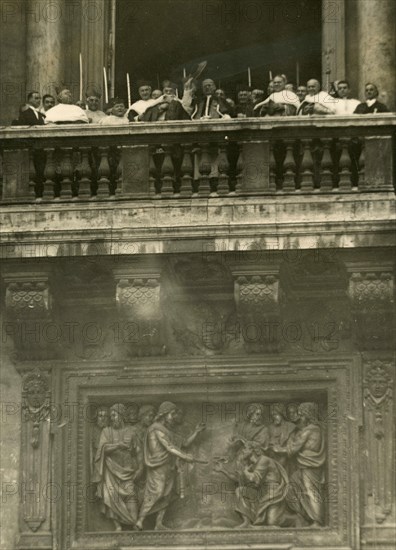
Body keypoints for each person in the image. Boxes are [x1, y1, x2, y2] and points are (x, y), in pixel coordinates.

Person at [135, 401, 197, 530]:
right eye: (172, 414)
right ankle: (140, 520)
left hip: (169, 467)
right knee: (156, 493)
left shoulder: (167, 431)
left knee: (167, 495)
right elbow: (169, 447)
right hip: (157, 467)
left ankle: (159, 523)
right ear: (163, 414)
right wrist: (185, 456)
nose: (173, 417)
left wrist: (197, 431)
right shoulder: (156, 428)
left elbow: (183, 443)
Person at [273, 402, 325, 527]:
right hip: (303, 466)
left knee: (311, 491)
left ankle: (317, 521)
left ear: (307, 415)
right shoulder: (313, 429)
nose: (299, 418)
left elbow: (294, 448)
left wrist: (278, 449)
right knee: (291, 485)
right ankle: (304, 515)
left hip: (310, 466)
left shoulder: (311, 429)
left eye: (301, 415)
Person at [214, 440, 289, 527]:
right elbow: (239, 479)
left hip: (273, 494)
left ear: (253, 450)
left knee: (272, 523)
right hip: (261, 493)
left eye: (245, 448)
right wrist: (223, 470)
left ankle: (295, 519)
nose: (243, 451)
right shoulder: (253, 465)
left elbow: (254, 478)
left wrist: (245, 471)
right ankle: (246, 522)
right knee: (240, 490)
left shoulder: (263, 460)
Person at [94, 403, 143, 531]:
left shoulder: (131, 432)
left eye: (114, 415)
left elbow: (138, 452)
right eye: (111, 416)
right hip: (111, 470)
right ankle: (117, 526)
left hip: (128, 470)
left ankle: (134, 523)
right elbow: (103, 449)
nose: (112, 418)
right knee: (111, 496)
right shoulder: (106, 431)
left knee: (131, 495)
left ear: (121, 416)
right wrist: (118, 445)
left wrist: (141, 468)